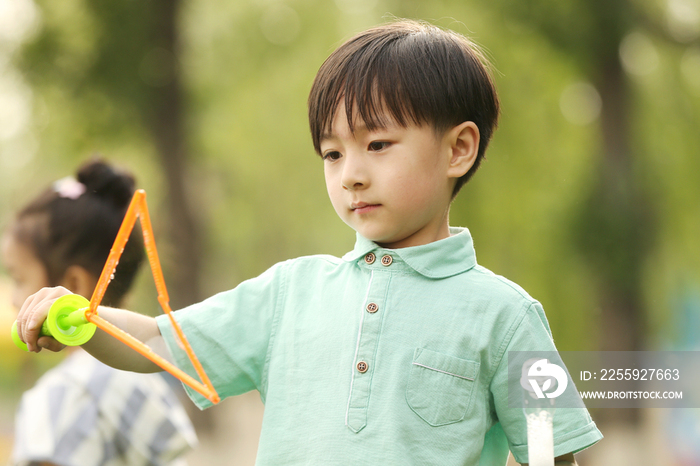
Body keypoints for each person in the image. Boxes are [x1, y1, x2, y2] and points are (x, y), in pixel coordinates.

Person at [14, 20, 602, 465]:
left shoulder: (506, 316)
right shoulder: (288, 294)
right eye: (332, 153)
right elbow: (159, 343)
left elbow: (554, 451)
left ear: (458, 149)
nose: (350, 174)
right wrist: (83, 322)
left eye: (378, 145)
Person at [3, 159, 198, 466]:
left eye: (18, 278)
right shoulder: (148, 381)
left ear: (73, 285)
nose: (14, 300)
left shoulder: (63, 395)